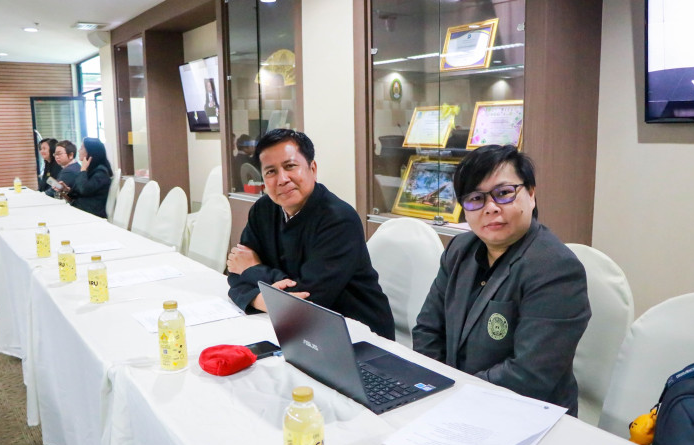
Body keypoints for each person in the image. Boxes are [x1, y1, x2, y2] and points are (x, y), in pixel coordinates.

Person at [412, 144, 590, 415]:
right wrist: (435, 389)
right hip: (454, 404)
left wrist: (455, 396)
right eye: (476, 198)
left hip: (523, 415)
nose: (491, 208)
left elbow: (529, 375)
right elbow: (427, 330)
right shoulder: (459, 250)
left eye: (504, 193)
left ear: (531, 194)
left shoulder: (556, 269)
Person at [227, 129, 395, 340]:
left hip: (357, 335)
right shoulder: (263, 210)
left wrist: (252, 269)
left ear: (312, 169)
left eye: (290, 166)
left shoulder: (339, 219)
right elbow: (235, 273)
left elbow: (307, 302)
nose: (282, 179)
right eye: (270, 171)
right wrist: (261, 300)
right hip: (295, 330)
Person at [59, 138, 113, 218]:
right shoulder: (90, 170)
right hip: (82, 211)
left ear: (90, 152)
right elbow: (81, 191)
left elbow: (84, 189)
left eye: (81, 148)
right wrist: (67, 190)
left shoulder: (101, 172)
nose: (79, 151)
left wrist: (83, 170)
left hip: (91, 214)